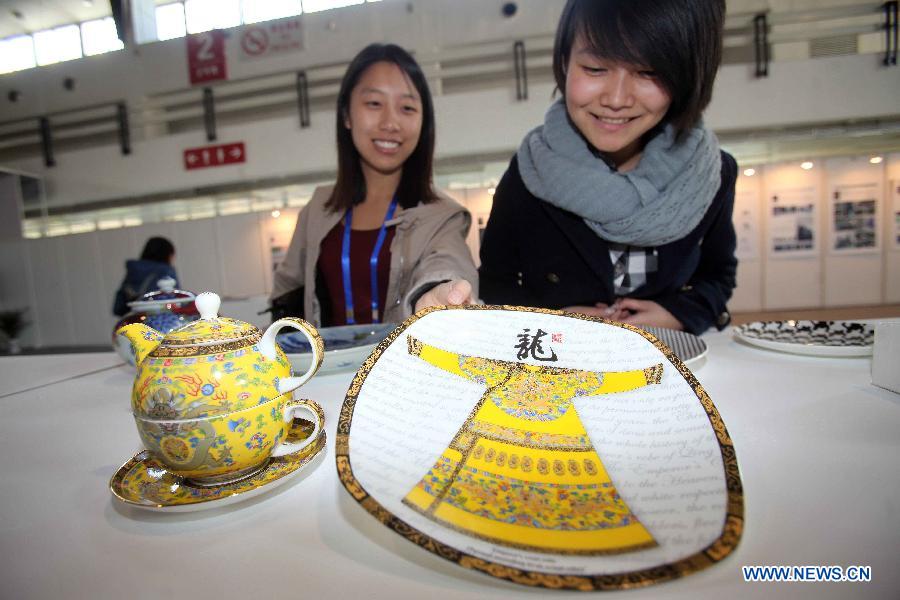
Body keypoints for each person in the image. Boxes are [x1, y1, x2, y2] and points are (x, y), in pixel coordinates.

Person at [478, 0, 737, 335]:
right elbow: (495, 283)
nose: (616, 99)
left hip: (668, 360)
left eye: (648, 72)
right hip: (562, 363)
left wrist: (674, 314)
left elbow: (718, 276)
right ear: (565, 62)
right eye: (595, 68)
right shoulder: (531, 170)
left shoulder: (710, 173)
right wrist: (555, 319)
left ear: (684, 77)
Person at [270, 43, 477, 327]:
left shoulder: (442, 216)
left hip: (398, 367)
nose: (391, 123)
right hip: (325, 369)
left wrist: (438, 293)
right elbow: (289, 288)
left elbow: (448, 264)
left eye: (407, 108)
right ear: (346, 115)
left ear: (423, 121)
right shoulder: (318, 209)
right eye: (374, 104)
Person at [112, 236, 178, 316]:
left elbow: (118, 308)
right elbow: (178, 303)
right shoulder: (166, 271)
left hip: (134, 322)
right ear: (168, 255)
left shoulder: (133, 272)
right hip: (161, 322)